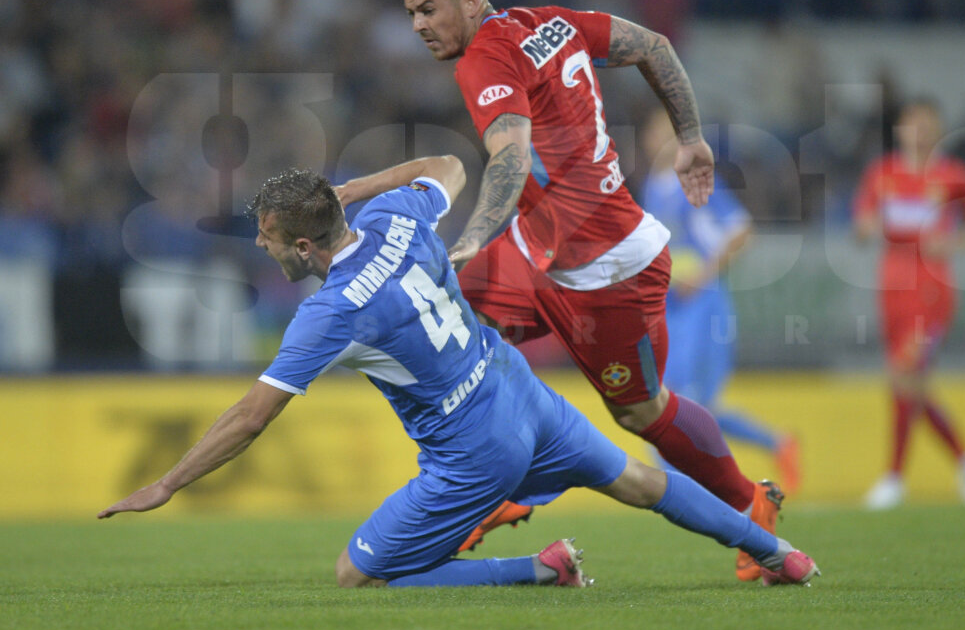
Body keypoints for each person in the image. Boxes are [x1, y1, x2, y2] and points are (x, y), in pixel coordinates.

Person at [97, 157, 820, 589]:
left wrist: (166, 483)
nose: (262, 247)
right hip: (518, 389)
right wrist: (358, 189)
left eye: (270, 238)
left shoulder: (328, 314)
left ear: (306, 243)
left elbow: (251, 416)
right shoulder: (396, 215)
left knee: (359, 572)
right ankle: (780, 555)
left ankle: (543, 569)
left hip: (475, 448)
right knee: (638, 480)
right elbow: (447, 167)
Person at [400, 0, 781, 581]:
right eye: (411, 13)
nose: (418, 25)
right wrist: (690, 139)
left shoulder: (485, 59)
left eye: (429, 9)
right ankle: (491, 490)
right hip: (541, 249)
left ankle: (750, 503)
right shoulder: (550, 21)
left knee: (642, 412)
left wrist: (471, 238)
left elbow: (512, 158)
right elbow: (654, 45)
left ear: (471, 0)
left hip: (608, 272)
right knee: (456, 329)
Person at [638, 108, 800, 493]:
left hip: (703, 305)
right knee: (684, 403)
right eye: (654, 132)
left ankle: (688, 490)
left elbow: (742, 231)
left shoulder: (694, 181)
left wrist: (703, 274)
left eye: (667, 132)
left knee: (686, 404)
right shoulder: (651, 187)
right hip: (670, 306)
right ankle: (776, 445)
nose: (659, 140)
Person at [853, 98, 965, 510]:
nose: (920, 131)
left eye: (928, 124)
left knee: (904, 374)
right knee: (908, 384)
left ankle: (894, 479)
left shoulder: (955, 176)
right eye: (912, 123)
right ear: (899, 129)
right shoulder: (881, 174)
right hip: (892, 289)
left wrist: (952, 242)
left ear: (939, 130)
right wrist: (865, 227)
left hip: (932, 290)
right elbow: (861, 224)